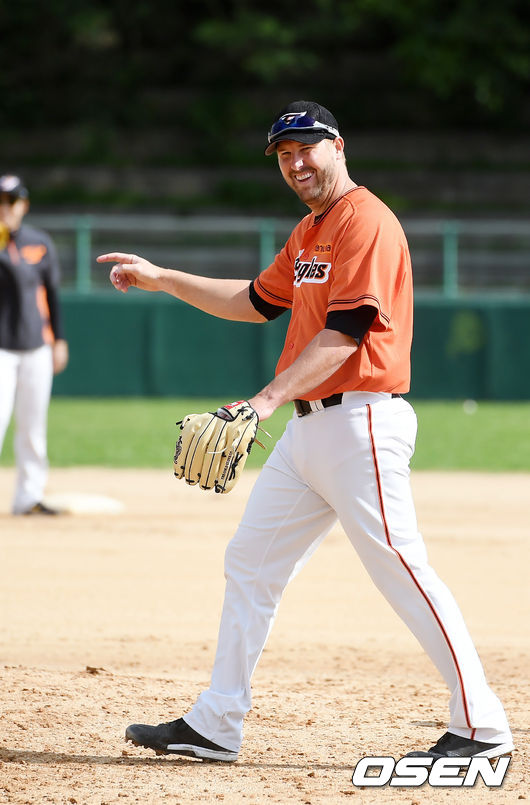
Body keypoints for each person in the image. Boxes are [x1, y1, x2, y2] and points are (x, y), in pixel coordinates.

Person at [97, 101, 513, 763]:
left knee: (402, 568)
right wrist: (162, 278)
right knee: (250, 562)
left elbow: (345, 336)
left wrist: (261, 401)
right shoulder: (308, 233)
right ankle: (217, 720)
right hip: (311, 432)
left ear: (338, 146)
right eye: (284, 154)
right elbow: (255, 301)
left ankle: (483, 726)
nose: (295, 163)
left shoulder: (366, 221)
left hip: (362, 421)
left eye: (306, 148)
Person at [0, 174, 69, 515]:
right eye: (0, 201)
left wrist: (59, 340)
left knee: (32, 427)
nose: (4, 208)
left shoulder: (39, 243)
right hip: (1, 348)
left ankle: (28, 496)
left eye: (10, 201)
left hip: (36, 346)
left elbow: (53, 296)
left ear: (23, 205)